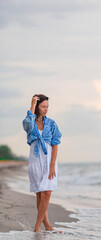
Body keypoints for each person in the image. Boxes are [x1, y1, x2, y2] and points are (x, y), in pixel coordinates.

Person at [22, 94, 62, 233]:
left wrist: (52, 165)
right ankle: (46, 225)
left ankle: (37, 226)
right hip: (35, 159)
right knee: (40, 194)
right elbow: (27, 122)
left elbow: (55, 144)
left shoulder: (51, 124)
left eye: (47, 107)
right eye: (43, 106)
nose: (46, 109)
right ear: (37, 107)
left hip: (49, 161)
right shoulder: (30, 123)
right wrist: (32, 103)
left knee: (47, 193)